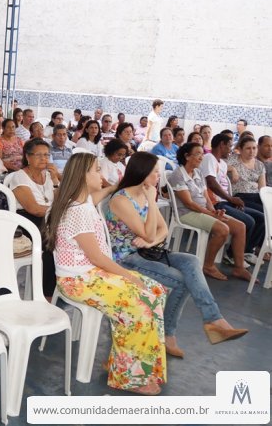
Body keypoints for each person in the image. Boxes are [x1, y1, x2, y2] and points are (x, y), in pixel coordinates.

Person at [44, 152, 166, 395]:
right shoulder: (77, 211)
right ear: (83, 176)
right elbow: (97, 258)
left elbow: (99, 194)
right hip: (77, 280)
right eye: (97, 170)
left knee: (156, 291)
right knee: (139, 304)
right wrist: (128, 276)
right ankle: (129, 376)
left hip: (92, 274)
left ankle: (121, 361)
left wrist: (112, 187)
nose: (101, 174)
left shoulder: (84, 201)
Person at [106, 152, 248, 355]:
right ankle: (169, 335)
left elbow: (162, 230)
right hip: (125, 259)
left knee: (191, 261)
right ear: (142, 173)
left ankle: (214, 319)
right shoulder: (122, 200)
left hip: (146, 252)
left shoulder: (144, 193)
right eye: (155, 172)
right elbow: (149, 232)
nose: (159, 176)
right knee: (181, 281)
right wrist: (151, 203)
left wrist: (150, 240)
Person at [170, 142, 252, 281]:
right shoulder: (178, 175)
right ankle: (208, 266)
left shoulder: (198, 172)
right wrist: (211, 215)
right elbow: (189, 204)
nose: (201, 157)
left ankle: (239, 268)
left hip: (202, 211)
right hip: (186, 213)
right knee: (223, 229)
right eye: (198, 154)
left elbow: (206, 197)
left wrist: (214, 212)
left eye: (202, 154)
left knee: (240, 227)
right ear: (187, 156)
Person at [201, 134, 264, 271]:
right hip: (215, 203)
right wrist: (231, 199)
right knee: (248, 221)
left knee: (260, 217)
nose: (230, 150)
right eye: (229, 146)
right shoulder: (209, 158)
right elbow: (211, 183)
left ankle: (245, 252)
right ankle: (231, 255)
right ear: (222, 145)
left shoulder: (223, 164)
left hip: (226, 202)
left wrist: (231, 201)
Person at [6, 139, 61, 296]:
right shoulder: (19, 177)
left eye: (47, 155)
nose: (44, 159)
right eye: (39, 155)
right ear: (28, 157)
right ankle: (46, 295)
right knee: (51, 247)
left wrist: (55, 180)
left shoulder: (48, 175)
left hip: (49, 218)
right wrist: (59, 212)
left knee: (70, 240)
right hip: (27, 221)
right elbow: (34, 209)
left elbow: (59, 200)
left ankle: (64, 288)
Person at [229, 137, 266, 213]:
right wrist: (232, 169)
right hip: (240, 196)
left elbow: (262, 188)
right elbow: (219, 166)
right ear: (240, 149)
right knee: (265, 212)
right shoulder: (233, 159)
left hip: (256, 196)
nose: (252, 151)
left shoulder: (260, 165)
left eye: (254, 148)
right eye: (248, 148)